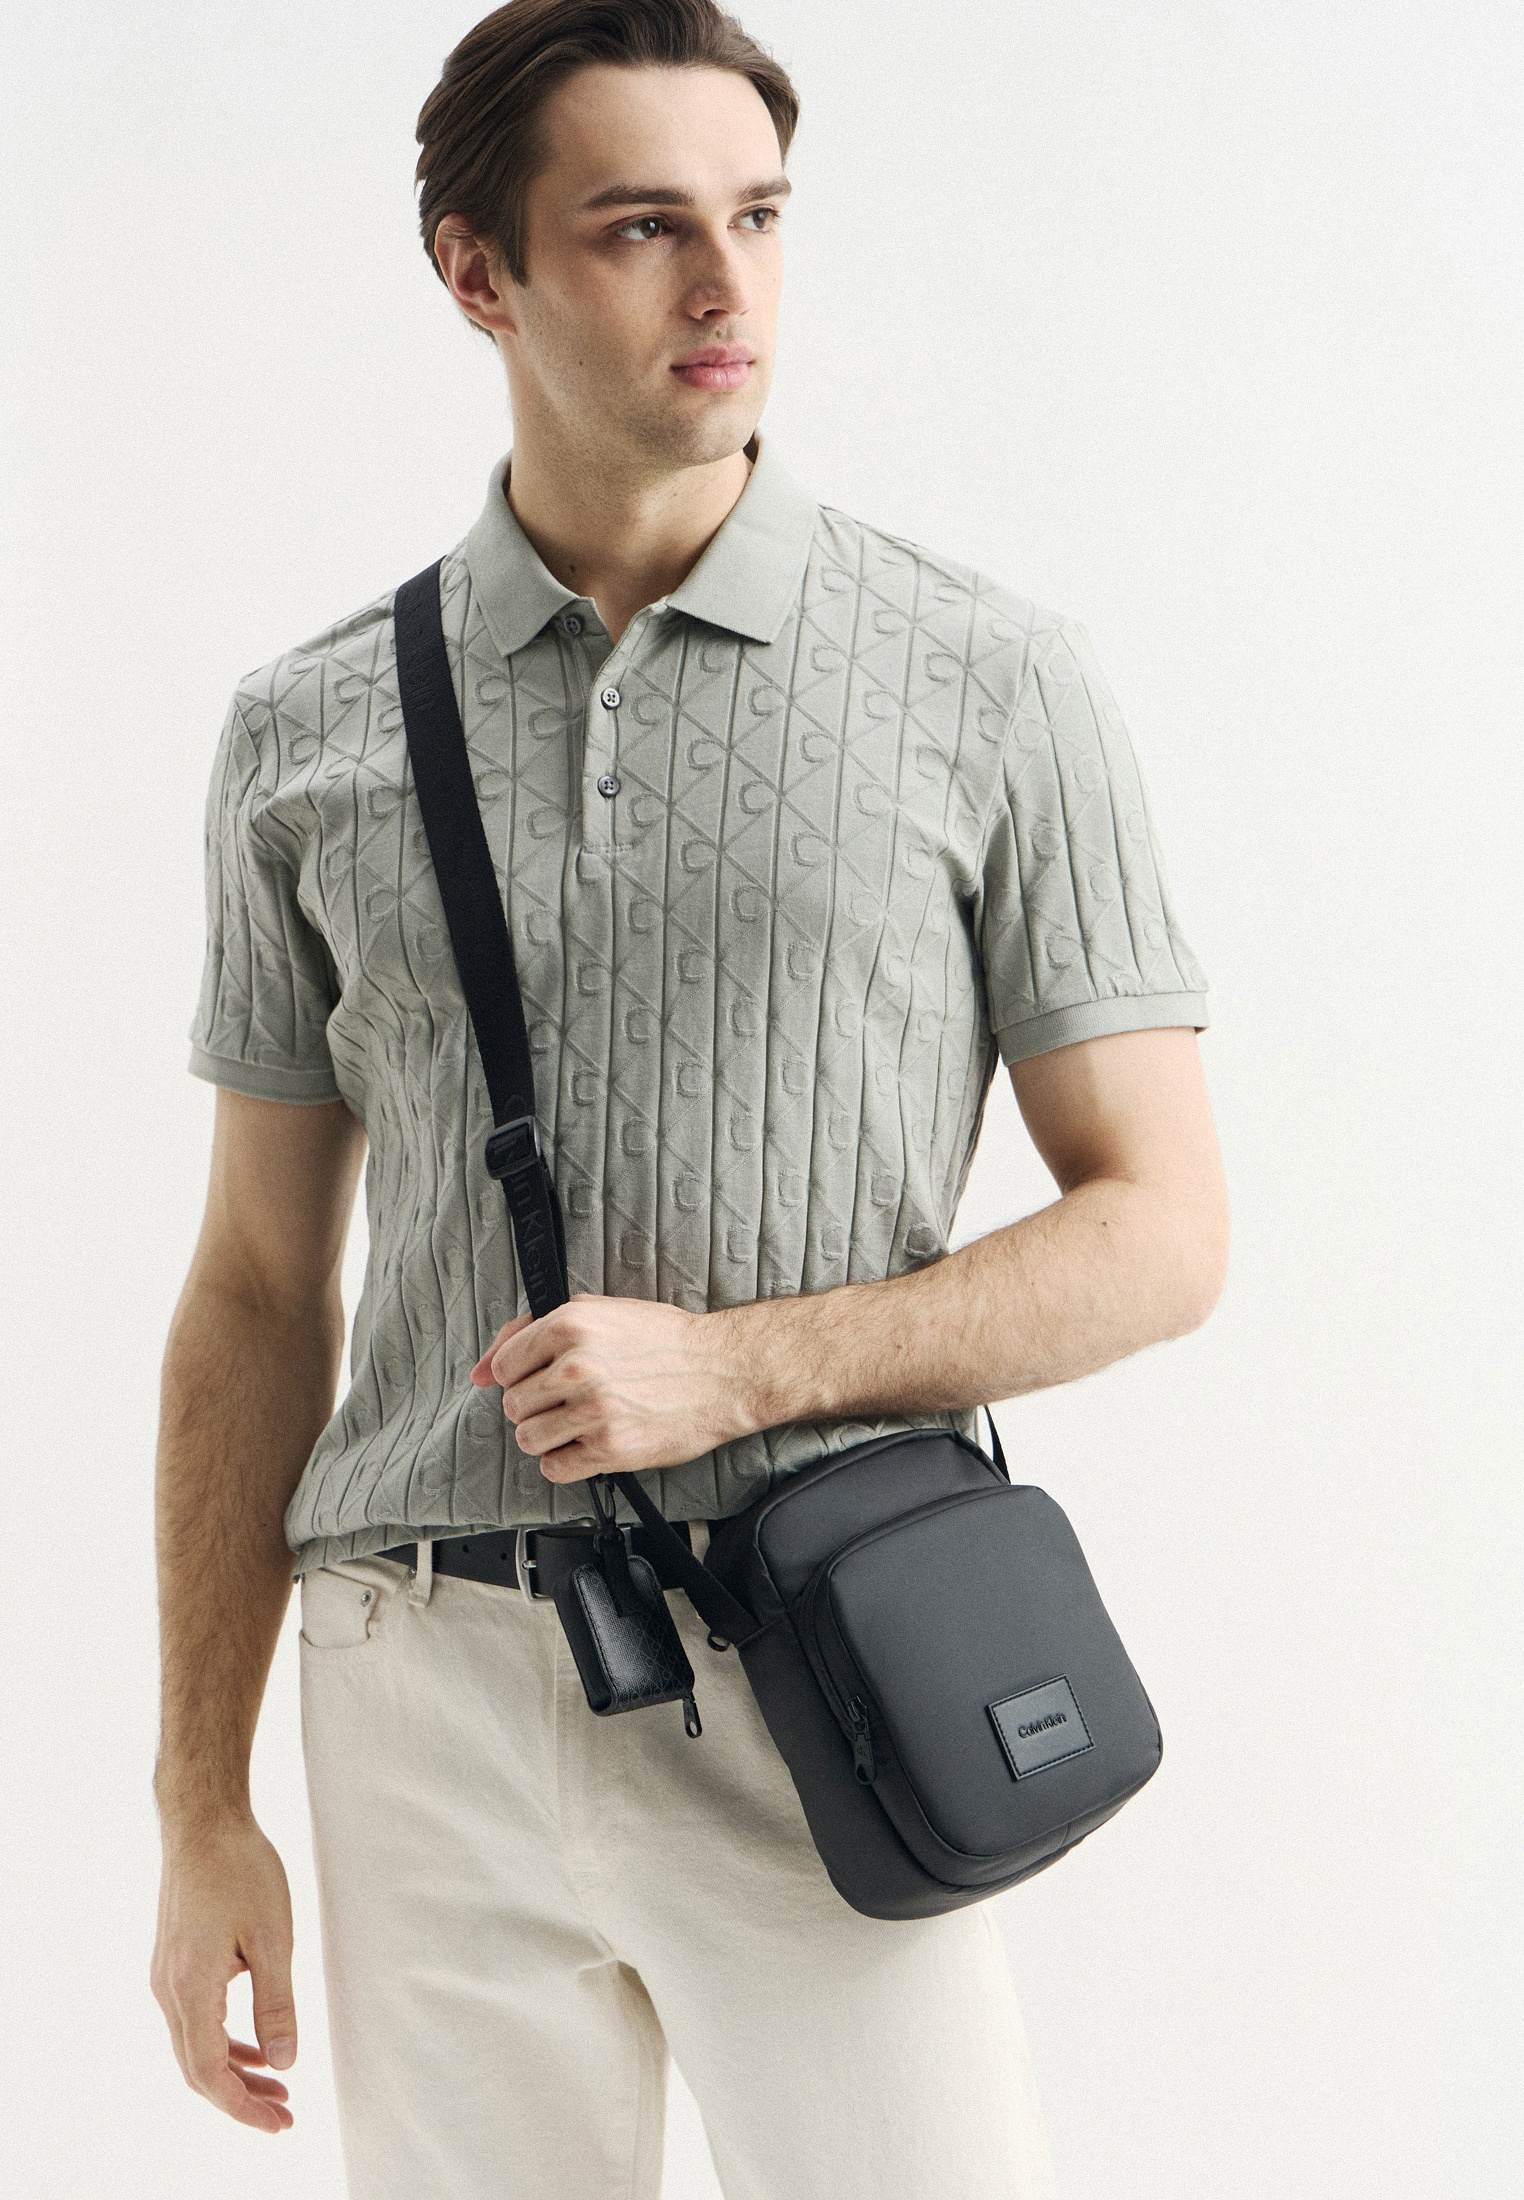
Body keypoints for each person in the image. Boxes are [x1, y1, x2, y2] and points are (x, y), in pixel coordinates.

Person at [150, 3, 1230, 2193]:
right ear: (479, 272)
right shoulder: (305, 731)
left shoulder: (987, 679)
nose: (727, 284)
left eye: (758, 216)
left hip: (818, 1660)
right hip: (417, 1684)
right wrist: (199, 1804)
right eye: (643, 227)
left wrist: (735, 1369)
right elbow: (257, 1286)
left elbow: (1164, 1226)